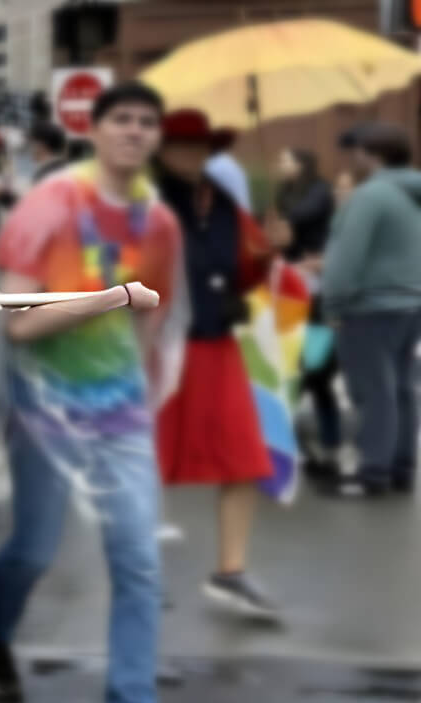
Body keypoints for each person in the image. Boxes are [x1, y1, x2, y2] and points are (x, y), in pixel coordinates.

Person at [0, 82, 196, 703]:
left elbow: (151, 316)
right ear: (95, 131)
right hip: (44, 410)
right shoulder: (50, 205)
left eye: (146, 122)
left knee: (139, 562)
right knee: (33, 549)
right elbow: (16, 321)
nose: (134, 131)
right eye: (121, 119)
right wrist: (105, 300)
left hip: (120, 415)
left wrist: (135, 386)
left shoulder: (156, 223)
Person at [149, 110, 282, 622]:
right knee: (143, 464)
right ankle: (139, 572)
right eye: (180, 145)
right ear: (162, 150)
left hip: (217, 344)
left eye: (199, 146)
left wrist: (268, 252)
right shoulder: (146, 199)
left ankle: (231, 571)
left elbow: (245, 271)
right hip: (158, 346)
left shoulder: (223, 202)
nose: (191, 154)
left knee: (243, 458)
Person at [320, 122, 421, 498]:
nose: (352, 158)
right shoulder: (413, 191)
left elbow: (346, 257)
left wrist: (332, 303)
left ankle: (373, 471)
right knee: (402, 387)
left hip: (370, 306)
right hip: (411, 302)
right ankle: (401, 467)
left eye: (357, 151)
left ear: (370, 154)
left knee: (375, 390)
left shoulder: (370, 196)